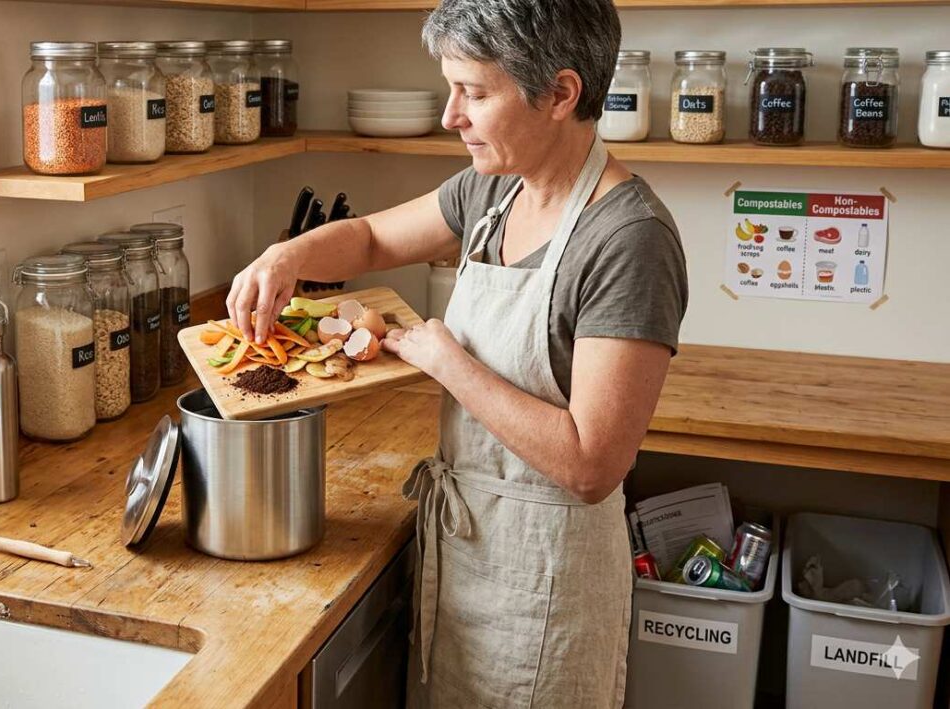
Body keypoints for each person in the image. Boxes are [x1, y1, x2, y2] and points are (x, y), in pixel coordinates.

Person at [227, 0, 688, 705]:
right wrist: (285, 255)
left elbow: (592, 463)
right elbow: (374, 239)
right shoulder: (495, 190)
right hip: (465, 554)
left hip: (548, 581)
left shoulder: (629, 239)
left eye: (473, 91)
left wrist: (446, 360)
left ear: (561, 94)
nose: (451, 115)